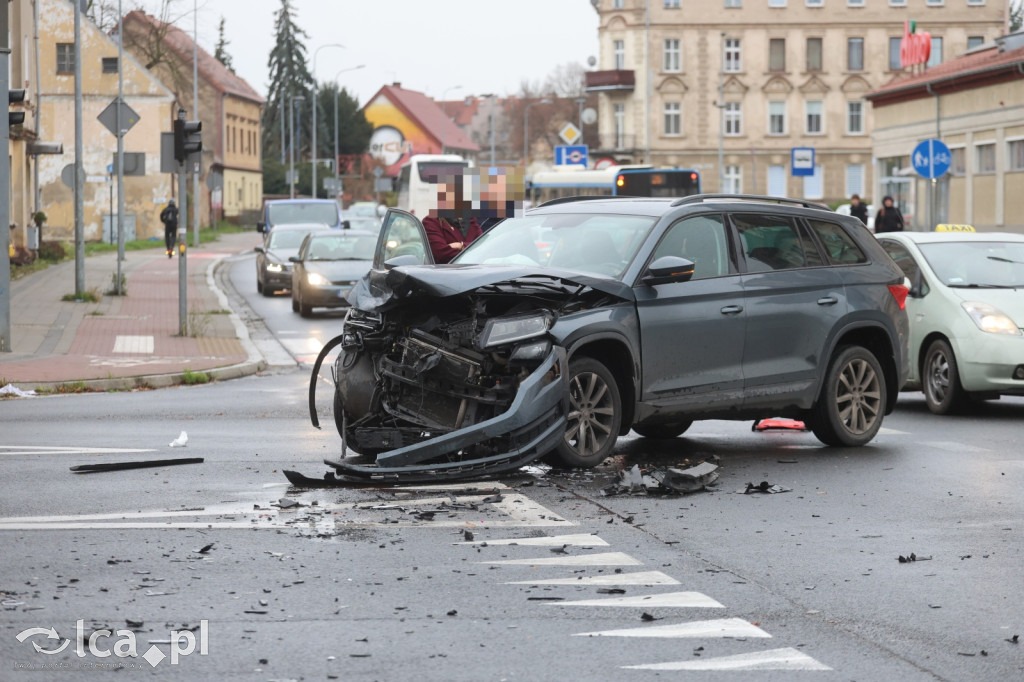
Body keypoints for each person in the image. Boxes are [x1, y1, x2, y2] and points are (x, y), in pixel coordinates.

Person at [422, 172, 481, 263]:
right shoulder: (431, 221)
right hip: (448, 270)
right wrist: (473, 249)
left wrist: (461, 245)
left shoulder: (470, 219)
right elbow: (441, 254)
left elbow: (485, 245)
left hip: (475, 269)